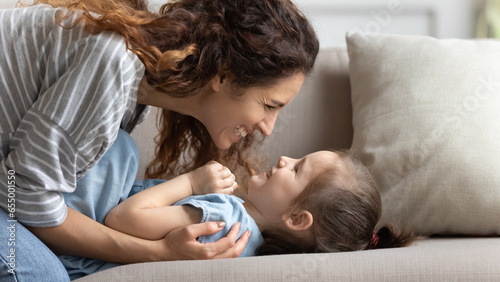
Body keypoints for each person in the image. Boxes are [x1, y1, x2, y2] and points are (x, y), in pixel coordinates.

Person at [0, 0, 319, 280]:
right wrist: (157, 252)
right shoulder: (114, 65)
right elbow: (23, 197)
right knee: (42, 274)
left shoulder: (134, 90)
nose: (268, 129)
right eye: (269, 106)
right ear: (223, 76)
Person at [105, 130, 415, 258]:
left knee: (121, 146)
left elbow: (120, 218)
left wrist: (190, 182)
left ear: (295, 219)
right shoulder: (245, 236)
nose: (284, 160)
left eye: (296, 170)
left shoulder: (226, 219)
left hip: (87, 230)